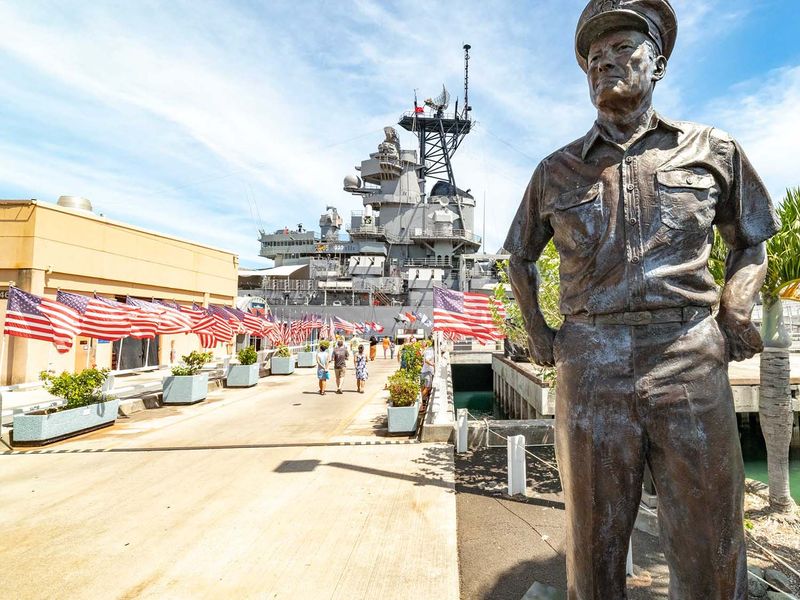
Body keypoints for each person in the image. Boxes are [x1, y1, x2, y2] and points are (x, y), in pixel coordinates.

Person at [505, 1, 779, 597]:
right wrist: (538, 332)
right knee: (592, 546)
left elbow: (751, 241)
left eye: (623, 49)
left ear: (658, 63)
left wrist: (734, 308)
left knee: (711, 540)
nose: (605, 63)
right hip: (589, 362)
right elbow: (519, 257)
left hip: (689, 354)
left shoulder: (712, 148)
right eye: (594, 57)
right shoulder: (555, 170)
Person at [419, 339, 435, 404]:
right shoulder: (431, 351)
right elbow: (426, 360)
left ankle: (423, 404)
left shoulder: (429, 349)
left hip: (424, 371)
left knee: (424, 388)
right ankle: (420, 402)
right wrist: (433, 365)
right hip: (427, 372)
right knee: (428, 388)